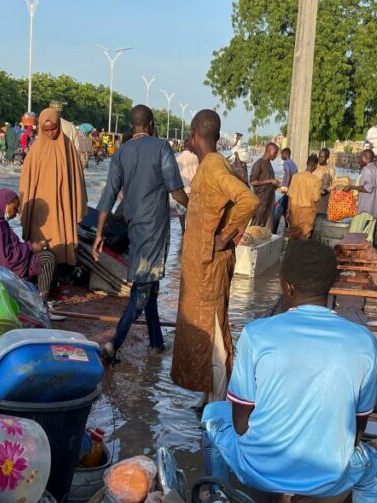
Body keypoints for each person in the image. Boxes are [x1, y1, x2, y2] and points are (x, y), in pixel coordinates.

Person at [201, 239, 377, 503]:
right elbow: (357, 431)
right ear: (330, 286)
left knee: (211, 416)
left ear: (286, 287)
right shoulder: (363, 341)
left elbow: (240, 424)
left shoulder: (257, 334)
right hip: (330, 477)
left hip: (256, 469)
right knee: (371, 478)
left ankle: (216, 502)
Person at [172, 110, 259, 406]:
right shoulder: (209, 165)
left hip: (210, 265)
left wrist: (225, 237)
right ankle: (208, 393)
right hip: (201, 264)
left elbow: (249, 199)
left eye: (189, 134)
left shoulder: (213, 166)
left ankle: (219, 400)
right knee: (202, 329)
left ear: (196, 134)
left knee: (214, 330)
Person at [93, 105, 187, 360]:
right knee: (143, 289)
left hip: (134, 227)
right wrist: (195, 207)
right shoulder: (161, 147)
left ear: (133, 125)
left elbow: (107, 197)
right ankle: (114, 343)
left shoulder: (121, 153)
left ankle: (156, 342)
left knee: (148, 283)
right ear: (152, 124)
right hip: (155, 229)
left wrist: (99, 233)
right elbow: (176, 189)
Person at [19, 108, 87, 267]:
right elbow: (26, 184)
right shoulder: (35, 150)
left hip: (63, 206)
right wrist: (24, 210)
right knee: (41, 251)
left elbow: (76, 180)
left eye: (54, 128)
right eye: (46, 130)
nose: (51, 133)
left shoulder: (68, 147)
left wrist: (76, 206)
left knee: (62, 242)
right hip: (39, 212)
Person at [0, 189, 56, 299]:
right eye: (14, 208)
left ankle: (36, 293)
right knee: (47, 257)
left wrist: (31, 247)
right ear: (4, 204)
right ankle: (42, 302)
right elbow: (5, 259)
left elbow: (8, 248)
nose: (16, 212)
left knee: (44, 254)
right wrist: (30, 247)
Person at [286, 154, 321, 240]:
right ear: (316, 166)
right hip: (307, 213)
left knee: (293, 236)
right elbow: (316, 199)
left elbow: (290, 196)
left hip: (294, 212)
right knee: (305, 237)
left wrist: (288, 210)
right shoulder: (315, 180)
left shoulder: (295, 177)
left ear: (306, 163)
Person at [345, 150, 377, 218]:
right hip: (374, 213)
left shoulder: (367, 169)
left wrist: (351, 187)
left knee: (355, 229)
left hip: (364, 211)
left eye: (360, 158)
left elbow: (368, 189)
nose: (359, 161)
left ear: (365, 158)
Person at [249, 143, 280, 229]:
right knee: (257, 221)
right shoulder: (258, 164)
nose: (276, 155)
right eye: (275, 153)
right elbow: (253, 182)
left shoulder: (269, 164)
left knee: (267, 223)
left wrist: (275, 184)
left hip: (269, 199)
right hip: (261, 199)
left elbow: (268, 180)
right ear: (270, 151)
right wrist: (270, 181)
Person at [175, 139, 199, 232]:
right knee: (191, 213)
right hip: (193, 190)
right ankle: (190, 232)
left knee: (181, 214)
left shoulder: (177, 158)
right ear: (191, 146)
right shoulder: (196, 158)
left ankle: (183, 231)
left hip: (181, 190)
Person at [273, 147, 298, 234]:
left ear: (285, 154)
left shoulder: (286, 163)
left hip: (286, 190)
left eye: (281, 154)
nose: (280, 156)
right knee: (285, 210)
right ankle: (287, 226)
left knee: (276, 210)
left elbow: (288, 173)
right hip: (291, 190)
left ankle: (274, 231)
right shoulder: (293, 164)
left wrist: (285, 187)